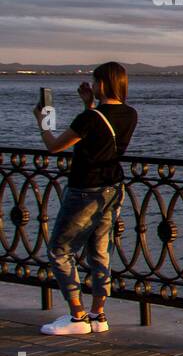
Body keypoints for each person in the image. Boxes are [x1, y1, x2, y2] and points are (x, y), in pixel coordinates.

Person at [31, 61, 138, 336]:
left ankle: (77, 316)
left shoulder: (89, 118)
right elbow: (100, 135)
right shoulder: (129, 114)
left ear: (102, 83)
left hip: (84, 190)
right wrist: (89, 104)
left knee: (60, 249)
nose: (91, 84)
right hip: (113, 188)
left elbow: (54, 146)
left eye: (94, 80)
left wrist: (43, 121)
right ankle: (98, 314)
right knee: (100, 252)